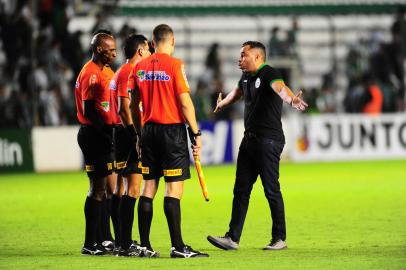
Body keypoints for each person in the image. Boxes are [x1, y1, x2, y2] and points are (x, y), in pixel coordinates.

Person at [207, 41, 307, 251]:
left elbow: (281, 89)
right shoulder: (246, 77)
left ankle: (279, 238)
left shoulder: (269, 73)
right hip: (249, 140)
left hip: (268, 140)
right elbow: (238, 92)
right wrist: (224, 102)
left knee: (271, 189)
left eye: (244, 55)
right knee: (241, 190)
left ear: (258, 58)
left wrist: (291, 100)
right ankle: (232, 238)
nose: (240, 58)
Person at [127, 24, 209, 258]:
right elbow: (185, 103)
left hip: (148, 131)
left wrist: (138, 133)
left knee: (148, 187)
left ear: (152, 43)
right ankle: (178, 247)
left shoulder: (139, 68)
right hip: (171, 132)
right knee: (173, 189)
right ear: (172, 41)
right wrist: (196, 133)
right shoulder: (175, 65)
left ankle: (144, 245)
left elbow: (134, 106)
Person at [109, 34, 151, 256]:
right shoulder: (129, 72)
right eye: (148, 49)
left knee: (121, 188)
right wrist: (136, 135)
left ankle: (121, 241)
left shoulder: (120, 72)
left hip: (121, 133)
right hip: (127, 133)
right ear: (141, 50)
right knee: (133, 187)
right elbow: (123, 108)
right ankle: (125, 244)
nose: (151, 54)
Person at [75, 32, 117, 255]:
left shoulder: (106, 71)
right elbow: (90, 110)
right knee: (97, 189)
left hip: (104, 134)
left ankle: (105, 239)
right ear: (99, 50)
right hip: (94, 135)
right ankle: (90, 243)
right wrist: (107, 133)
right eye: (111, 49)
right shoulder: (90, 74)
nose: (114, 53)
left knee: (108, 188)